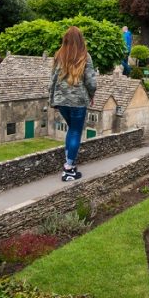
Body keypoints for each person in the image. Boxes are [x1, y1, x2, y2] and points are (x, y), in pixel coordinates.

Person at [50, 26, 97, 181]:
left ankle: (69, 161)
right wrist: (91, 95)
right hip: (78, 101)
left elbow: (53, 79)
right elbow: (91, 82)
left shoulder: (59, 55)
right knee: (76, 131)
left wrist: (53, 100)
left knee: (72, 130)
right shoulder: (85, 56)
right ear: (80, 39)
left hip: (62, 100)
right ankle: (68, 168)